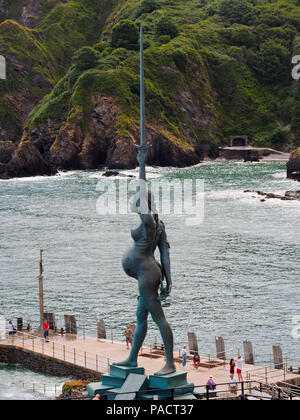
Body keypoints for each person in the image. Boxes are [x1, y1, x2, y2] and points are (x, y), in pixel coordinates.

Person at [114, 185, 176, 377]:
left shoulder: (148, 222)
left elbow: (142, 189)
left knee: (159, 319)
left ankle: (170, 363)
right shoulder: (159, 225)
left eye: (137, 199)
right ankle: (133, 358)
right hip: (149, 273)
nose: (134, 201)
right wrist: (169, 280)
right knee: (141, 319)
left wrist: (141, 161)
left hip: (147, 275)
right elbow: (165, 254)